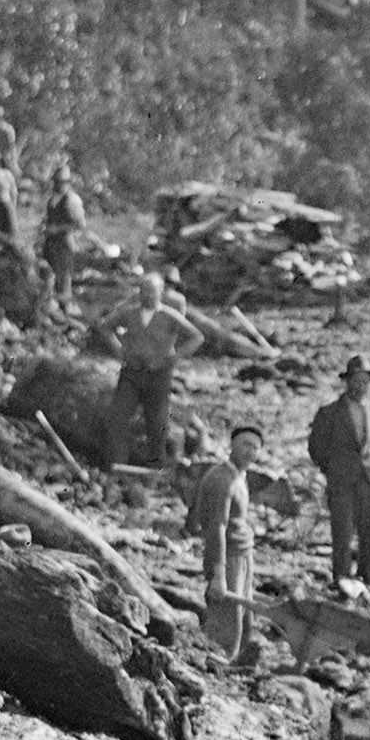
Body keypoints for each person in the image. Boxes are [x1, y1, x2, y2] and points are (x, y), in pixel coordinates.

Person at [186, 422, 263, 662]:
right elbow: (216, 529)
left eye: (255, 447)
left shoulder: (239, 475)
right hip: (227, 555)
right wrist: (218, 574)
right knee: (226, 614)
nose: (249, 451)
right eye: (245, 445)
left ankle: (237, 662)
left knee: (243, 613)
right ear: (231, 445)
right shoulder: (221, 480)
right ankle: (215, 662)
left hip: (243, 552)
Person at [308, 355, 370, 592]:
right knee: (342, 529)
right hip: (341, 479)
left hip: (369, 478)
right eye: (356, 380)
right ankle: (341, 575)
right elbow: (316, 447)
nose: (361, 385)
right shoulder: (330, 412)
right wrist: (331, 469)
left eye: (365, 381)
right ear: (347, 381)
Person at [113, 270, 200, 467]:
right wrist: (120, 351)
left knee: (157, 422)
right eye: (144, 291)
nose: (148, 296)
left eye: (152, 292)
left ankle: (156, 467)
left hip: (158, 375)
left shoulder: (169, 315)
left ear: (161, 293)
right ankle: (117, 464)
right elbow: (104, 327)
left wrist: (172, 358)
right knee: (118, 417)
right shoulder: (130, 313)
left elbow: (196, 337)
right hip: (132, 372)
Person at [40, 160, 86, 312]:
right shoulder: (53, 199)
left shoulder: (72, 200)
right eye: (56, 182)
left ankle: (66, 310)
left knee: (63, 279)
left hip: (64, 243)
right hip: (49, 243)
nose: (58, 185)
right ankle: (49, 308)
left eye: (61, 182)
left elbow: (79, 225)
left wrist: (57, 229)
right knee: (46, 275)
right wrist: (45, 226)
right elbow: (49, 217)